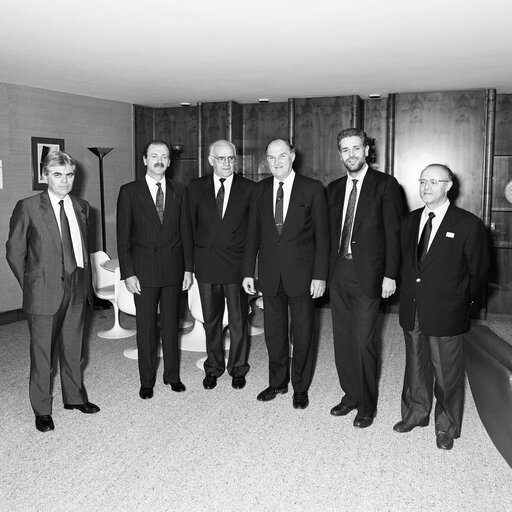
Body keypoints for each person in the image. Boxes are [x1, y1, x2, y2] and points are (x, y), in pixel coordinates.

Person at [394, 164, 489, 450]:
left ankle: (446, 426)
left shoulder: (468, 224)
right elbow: (406, 266)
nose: (426, 187)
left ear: (448, 186)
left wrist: (462, 306)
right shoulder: (409, 221)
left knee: (446, 373)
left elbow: (480, 273)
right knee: (415, 366)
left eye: (434, 182)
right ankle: (416, 413)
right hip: (413, 307)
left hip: (447, 311)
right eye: (423, 181)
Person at [6, 151, 99, 432]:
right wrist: (33, 286)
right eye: (57, 174)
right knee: (43, 354)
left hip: (76, 286)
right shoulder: (29, 206)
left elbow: (82, 250)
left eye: (69, 175)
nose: (64, 181)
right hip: (43, 290)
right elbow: (14, 252)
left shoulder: (82, 207)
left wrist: (86, 286)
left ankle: (74, 398)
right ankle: (42, 409)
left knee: (74, 349)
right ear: (45, 175)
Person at [242, 138, 329, 409]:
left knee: (302, 334)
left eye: (282, 156)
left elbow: (323, 238)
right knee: (274, 334)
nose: (276, 162)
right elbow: (252, 236)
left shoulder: (313, 189)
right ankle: (277, 382)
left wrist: (320, 275)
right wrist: (248, 272)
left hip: (303, 276)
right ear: (266, 160)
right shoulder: (259, 190)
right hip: (270, 276)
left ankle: (300, 387)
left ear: (292, 156)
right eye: (271, 157)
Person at [327, 128, 403, 428]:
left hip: (370, 275)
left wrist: (390, 275)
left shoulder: (385, 185)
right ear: (340, 154)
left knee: (363, 342)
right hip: (338, 273)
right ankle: (350, 395)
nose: (351, 155)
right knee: (343, 340)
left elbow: (394, 234)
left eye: (356, 148)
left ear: (367, 150)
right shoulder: (333, 189)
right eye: (345, 150)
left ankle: (367, 405)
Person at [117, 140, 193, 400]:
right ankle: (146, 380)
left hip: (174, 270)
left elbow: (186, 233)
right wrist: (128, 273)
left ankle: (172, 376)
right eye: (154, 156)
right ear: (144, 160)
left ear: (170, 162)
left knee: (172, 327)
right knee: (146, 329)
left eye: (164, 156)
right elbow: (123, 237)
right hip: (144, 272)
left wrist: (188, 269)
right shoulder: (129, 192)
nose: (159, 160)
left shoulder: (180, 190)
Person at [188, 140, 255, 390]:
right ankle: (213, 367)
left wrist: (249, 270)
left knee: (238, 321)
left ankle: (238, 368)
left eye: (231, 158)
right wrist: (189, 266)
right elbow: (188, 229)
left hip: (236, 267)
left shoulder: (249, 189)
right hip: (206, 266)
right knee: (211, 321)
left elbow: (252, 235)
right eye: (221, 158)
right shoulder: (195, 188)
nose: (227, 163)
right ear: (210, 160)